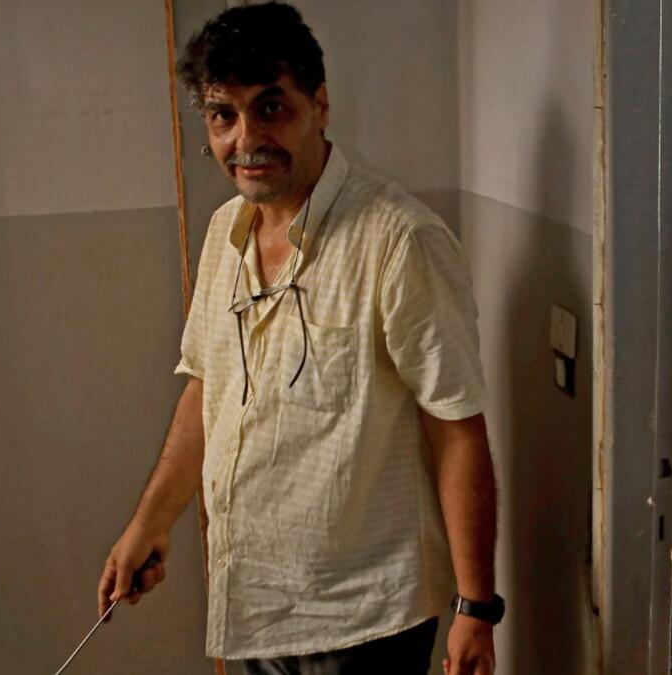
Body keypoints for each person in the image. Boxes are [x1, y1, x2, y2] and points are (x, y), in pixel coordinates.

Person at [95, 4, 500, 673]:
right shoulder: (227, 231)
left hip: (365, 617)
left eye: (271, 107)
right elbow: (208, 387)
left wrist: (476, 606)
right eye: (223, 114)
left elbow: (457, 430)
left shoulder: (399, 241)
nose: (245, 138)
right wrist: (152, 520)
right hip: (255, 605)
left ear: (320, 105)